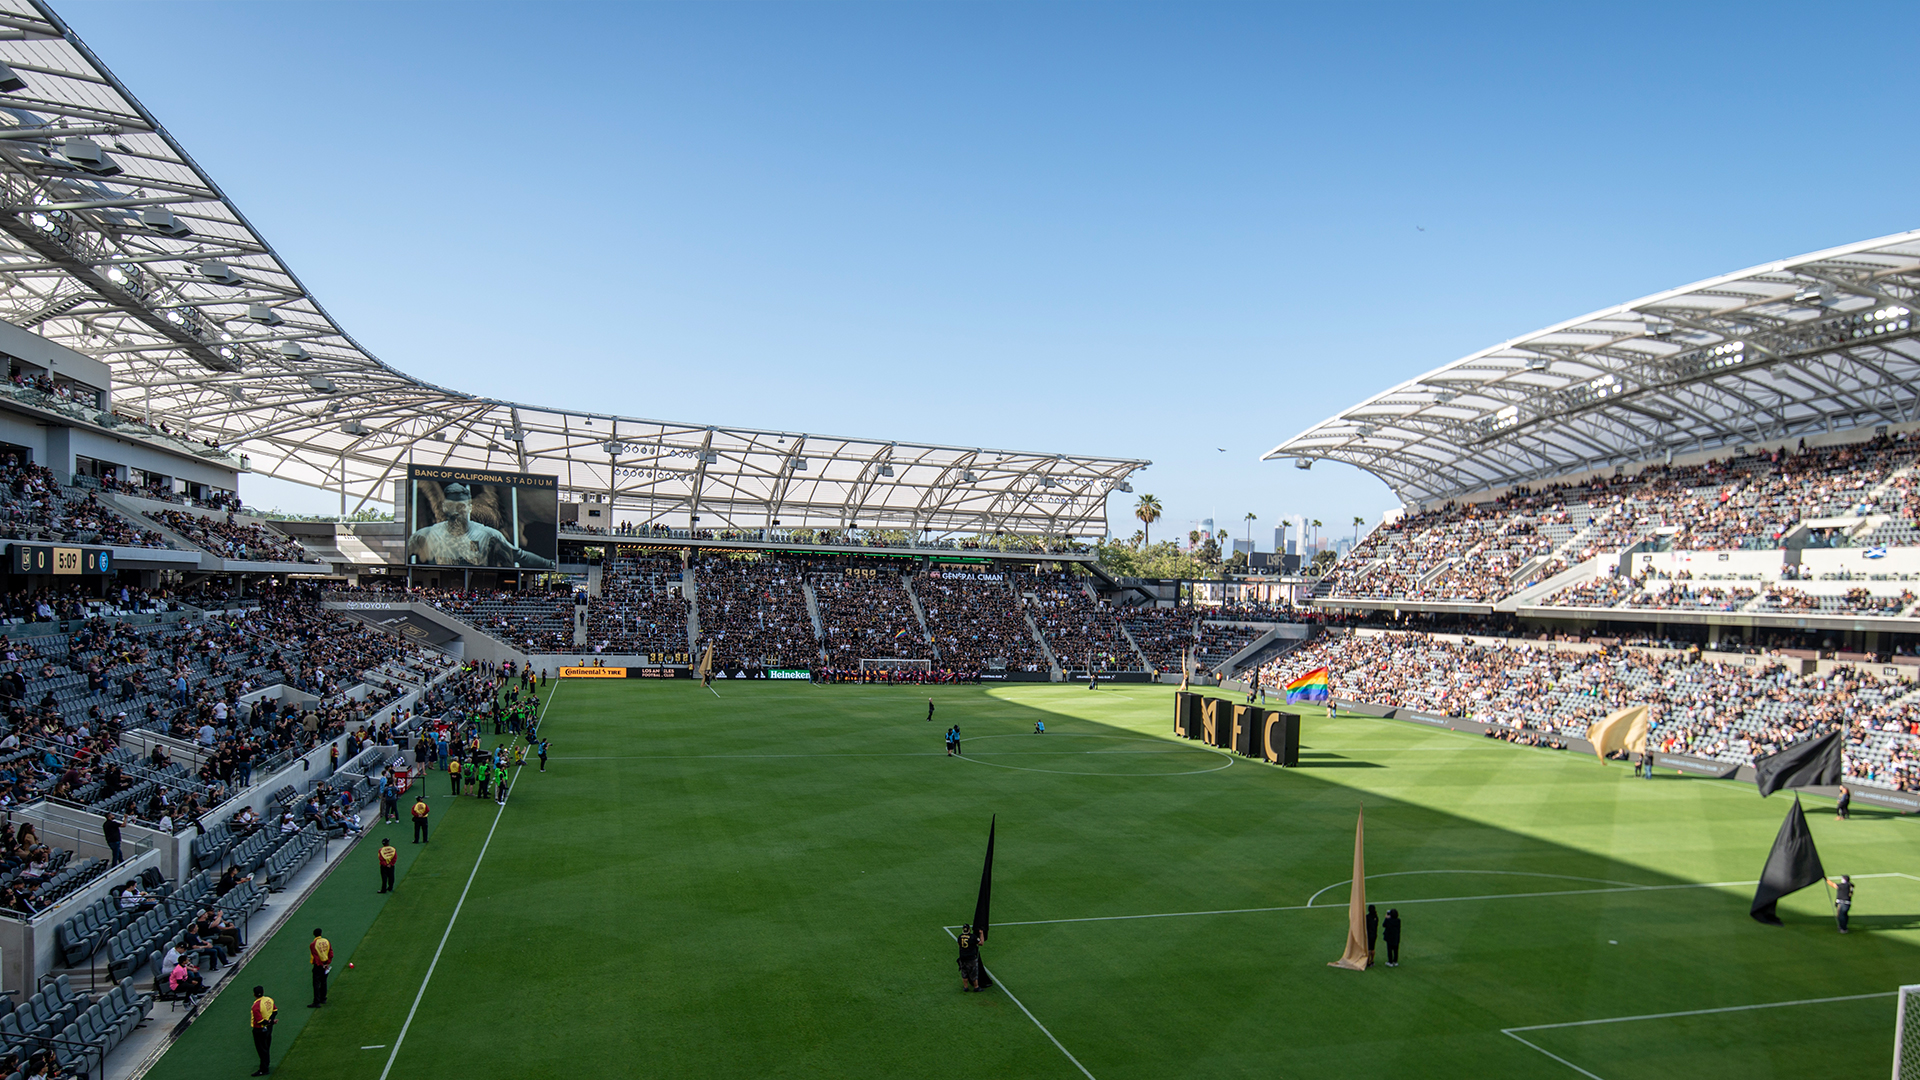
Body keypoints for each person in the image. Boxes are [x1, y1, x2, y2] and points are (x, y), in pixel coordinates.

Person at [404, 482, 555, 568]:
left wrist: (550, 564)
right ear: (445, 508)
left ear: (469, 507)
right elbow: (401, 555)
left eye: (461, 506)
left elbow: (520, 555)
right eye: (452, 506)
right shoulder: (425, 535)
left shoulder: (488, 534)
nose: (457, 511)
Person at [249, 985, 277, 1076]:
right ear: (263, 992)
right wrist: (271, 1021)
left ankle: (264, 1069)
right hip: (268, 1028)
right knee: (266, 1046)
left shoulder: (255, 1006)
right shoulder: (269, 999)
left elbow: (259, 1020)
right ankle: (266, 1063)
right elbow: (275, 1011)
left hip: (259, 1030)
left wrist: (268, 1022)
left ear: (254, 994)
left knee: (261, 1049)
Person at [956, 924, 991, 991]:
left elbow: (959, 945)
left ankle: (965, 987)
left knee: (964, 972)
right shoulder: (972, 937)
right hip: (971, 958)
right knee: (973, 973)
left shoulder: (960, 937)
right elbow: (981, 943)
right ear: (969, 929)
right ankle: (976, 987)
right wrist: (981, 933)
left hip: (962, 957)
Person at [308, 928, 332, 1006]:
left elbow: (316, 957)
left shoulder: (313, 944)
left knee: (316, 983)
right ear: (321, 933)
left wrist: (322, 965)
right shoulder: (326, 941)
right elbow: (330, 953)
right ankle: (323, 999)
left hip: (319, 966)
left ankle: (317, 1001)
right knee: (324, 982)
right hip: (326, 964)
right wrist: (327, 964)